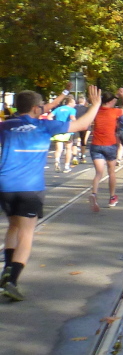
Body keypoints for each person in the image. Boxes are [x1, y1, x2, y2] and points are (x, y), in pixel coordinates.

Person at [0, 85, 101, 301]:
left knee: (13, 226)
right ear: (36, 108)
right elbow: (82, 124)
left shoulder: (6, 126)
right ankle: (12, 281)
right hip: (30, 187)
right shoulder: (45, 126)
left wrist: (62, 95)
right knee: (27, 233)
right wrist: (96, 105)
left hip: (6, 185)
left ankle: (7, 267)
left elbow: (39, 109)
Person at [90, 89, 123, 211]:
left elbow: (110, 101)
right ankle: (112, 197)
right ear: (109, 102)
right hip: (110, 144)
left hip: (96, 145)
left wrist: (116, 96)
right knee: (111, 172)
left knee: (98, 173)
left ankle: (94, 194)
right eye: (113, 101)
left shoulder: (96, 111)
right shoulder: (114, 112)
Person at [49, 97, 77, 173]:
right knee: (68, 149)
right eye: (74, 102)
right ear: (70, 103)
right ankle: (66, 167)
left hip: (58, 130)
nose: (75, 104)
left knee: (59, 149)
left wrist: (54, 123)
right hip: (68, 130)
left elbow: (49, 116)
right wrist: (76, 123)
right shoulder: (72, 110)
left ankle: (57, 161)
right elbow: (72, 117)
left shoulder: (58, 109)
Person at [74, 96, 91, 164]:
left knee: (75, 141)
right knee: (83, 141)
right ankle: (82, 156)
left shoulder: (74, 108)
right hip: (84, 126)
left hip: (75, 125)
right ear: (84, 101)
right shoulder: (86, 109)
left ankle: (74, 157)